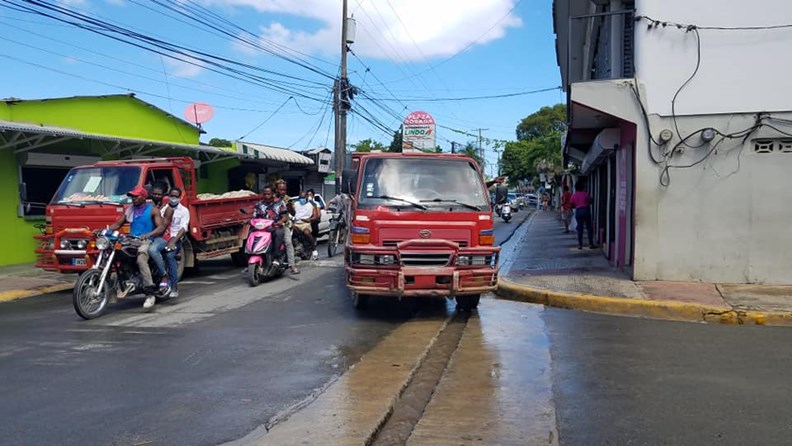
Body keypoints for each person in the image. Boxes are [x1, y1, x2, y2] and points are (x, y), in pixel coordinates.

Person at [108, 185, 165, 309]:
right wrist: (104, 231)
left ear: (143, 197)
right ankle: (116, 285)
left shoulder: (153, 210)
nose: (133, 199)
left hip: (146, 241)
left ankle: (150, 293)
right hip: (131, 240)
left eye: (136, 196)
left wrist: (149, 234)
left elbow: (161, 227)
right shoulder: (130, 210)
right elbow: (118, 224)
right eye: (132, 197)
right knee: (115, 253)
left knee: (141, 257)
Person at [149, 187, 190, 300]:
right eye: (172, 196)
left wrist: (173, 241)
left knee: (169, 256)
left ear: (180, 197)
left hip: (175, 238)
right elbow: (160, 224)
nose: (173, 198)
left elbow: (183, 228)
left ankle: (174, 286)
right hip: (163, 237)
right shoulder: (164, 209)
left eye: (176, 196)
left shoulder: (184, 211)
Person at [253, 185, 290, 265]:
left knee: (278, 234)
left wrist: (281, 221)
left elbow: (285, 216)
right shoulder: (259, 204)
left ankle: (276, 257)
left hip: (275, 226)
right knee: (251, 234)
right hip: (262, 228)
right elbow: (255, 217)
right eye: (265, 194)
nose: (266, 196)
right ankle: (252, 254)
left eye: (268, 194)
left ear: (272, 193)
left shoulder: (279, 203)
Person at [275, 179, 299, 274]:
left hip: (284, 224)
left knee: (288, 242)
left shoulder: (288, 199)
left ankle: (292, 265)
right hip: (272, 224)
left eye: (284, 190)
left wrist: (290, 207)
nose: (283, 192)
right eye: (281, 190)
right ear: (276, 189)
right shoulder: (272, 198)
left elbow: (293, 213)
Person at [292, 190, 320, 261]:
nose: (302, 199)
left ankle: (314, 249)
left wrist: (309, 219)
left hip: (305, 223)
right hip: (296, 223)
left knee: (306, 232)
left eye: (303, 197)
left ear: (307, 197)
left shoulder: (312, 205)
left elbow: (316, 216)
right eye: (300, 197)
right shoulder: (295, 204)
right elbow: (292, 213)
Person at [570, 182, 597, 250]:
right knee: (589, 228)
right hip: (586, 210)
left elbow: (572, 205)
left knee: (580, 228)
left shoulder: (574, 195)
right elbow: (591, 201)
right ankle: (590, 244)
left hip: (578, 211)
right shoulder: (585, 194)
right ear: (582, 187)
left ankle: (580, 244)